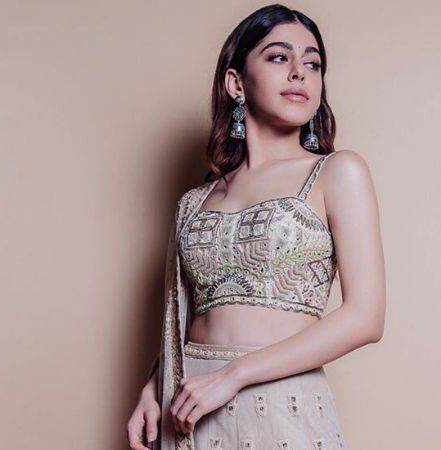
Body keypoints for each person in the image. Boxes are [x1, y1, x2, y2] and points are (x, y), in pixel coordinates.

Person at [126, 4, 386, 450]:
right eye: (279, 57)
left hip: (282, 403)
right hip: (187, 406)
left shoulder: (337, 173)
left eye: (313, 63)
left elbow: (366, 318)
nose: (299, 72)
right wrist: (154, 388)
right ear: (236, 83)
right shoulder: (195, 202)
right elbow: (183, 318)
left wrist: (234, 375)